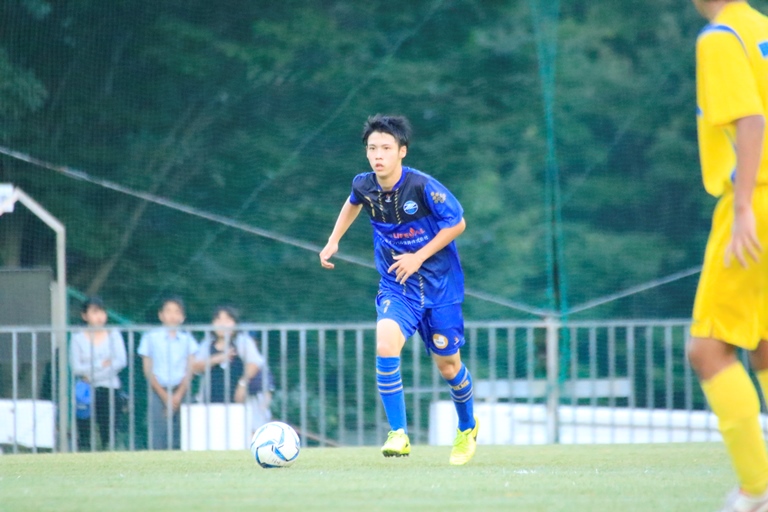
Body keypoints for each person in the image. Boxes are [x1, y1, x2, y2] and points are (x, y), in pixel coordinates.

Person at [319, 114, 478, 465]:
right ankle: (398, 433)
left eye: (386, 148)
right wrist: (333, 240)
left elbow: (458, 223)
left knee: (449, 367)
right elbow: (353, 202)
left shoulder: (423, 187)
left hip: (440, 287)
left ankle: (467, 427)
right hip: (398, 285)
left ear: (402, 151)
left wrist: (418, 257)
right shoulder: (364, 185)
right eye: (372, 148)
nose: (378, 155)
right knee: (385, 343)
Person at [687, 1, 768, 510]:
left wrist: (741, 209)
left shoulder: (720, 36)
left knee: (708, 349)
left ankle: (757, 489)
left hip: (754, 201)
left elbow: (752, 119)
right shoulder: (761, 27)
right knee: (763, 343)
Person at [192, 306, 273, 432]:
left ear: (235, 323)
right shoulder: (207, 344)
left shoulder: (242, 342)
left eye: (227, 320)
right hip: (211, 400)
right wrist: (218, 358)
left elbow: (255, 363)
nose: (222, 324)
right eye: (218, 320)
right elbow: (196, 366)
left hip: (239, 401)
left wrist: (242, 384)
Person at [137, 296, 197, 450]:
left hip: (181, 390)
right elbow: (147, 369)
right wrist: (165, 396)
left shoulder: (187, 339)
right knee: (157, 432)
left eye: (177, 312)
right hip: (157, 390)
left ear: (182, 317)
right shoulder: (150, 337)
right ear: (161, 315)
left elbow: (190, 369)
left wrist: (177, 395)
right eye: (168, 311)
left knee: (184, 432)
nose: (172, 315)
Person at [69, 297, 127, 451]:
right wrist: (100, 364)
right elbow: (76, 367)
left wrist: (91, 375)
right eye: (94, 312)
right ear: (85, 316)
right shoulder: (77, 338)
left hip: (110, 389)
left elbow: (120, 361)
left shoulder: (114, 334)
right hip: (85, 391)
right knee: (84, 433)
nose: (100, 316)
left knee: (109, 433)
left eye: (102, 312)